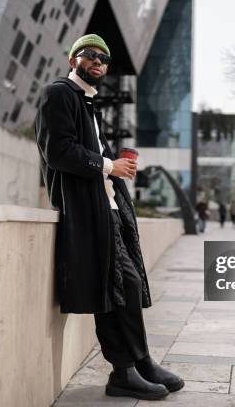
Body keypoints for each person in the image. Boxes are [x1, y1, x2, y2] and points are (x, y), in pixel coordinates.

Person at [35, 34, 183, 401]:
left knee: (124, 289)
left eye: (104, 58)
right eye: (91, 55)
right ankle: (125, 371)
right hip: (86, 212)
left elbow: (89, 153)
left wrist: (117, 169)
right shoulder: (59, 95)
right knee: (120, 289)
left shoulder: (88, 104)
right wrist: (108, 164)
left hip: (108, 209)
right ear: (74, 61)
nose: (99, 62)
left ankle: (140, 365)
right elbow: (58, 152)